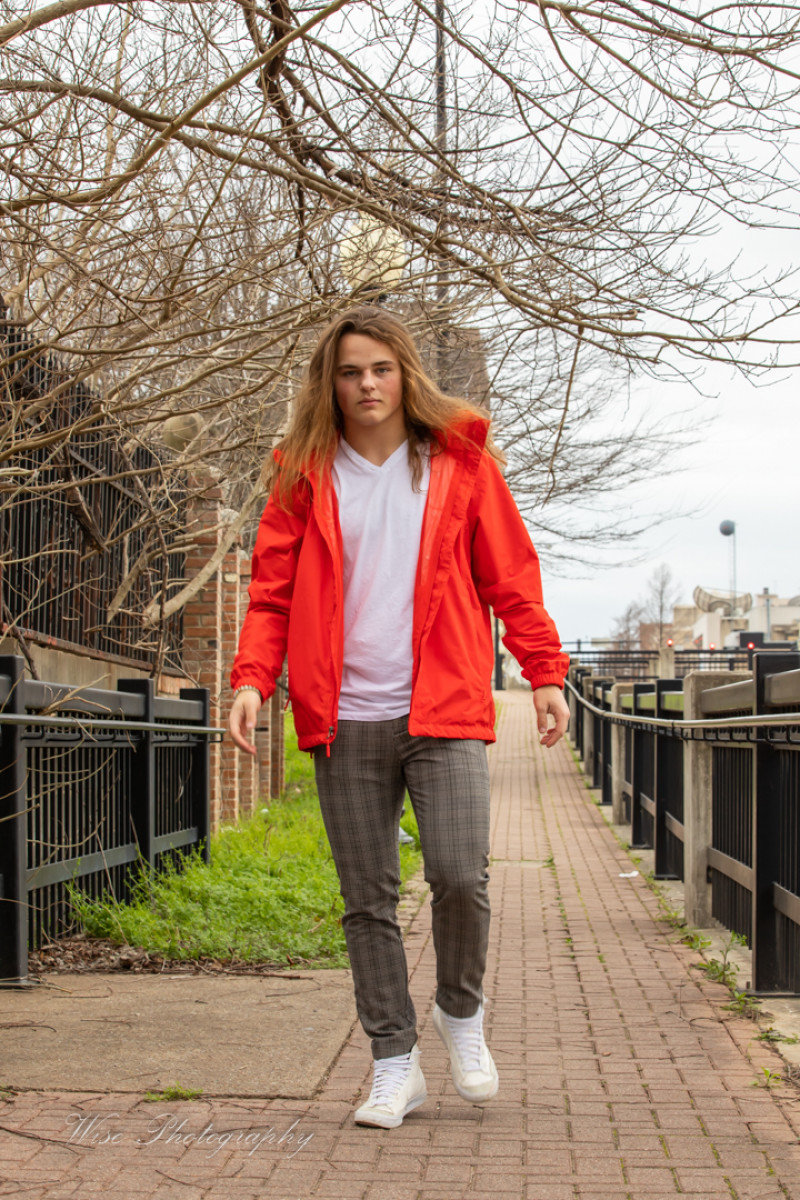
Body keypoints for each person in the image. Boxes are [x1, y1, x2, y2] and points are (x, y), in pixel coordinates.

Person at [229, 306, 569, 1129]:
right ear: (330, 383)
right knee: (367, 899)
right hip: (343, 716)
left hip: (443, 707)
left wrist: (545, 672)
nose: (366, 385)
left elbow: (511, 576)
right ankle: (393, 1062)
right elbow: (271, 592)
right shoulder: (303, 474)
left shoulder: (460, 465)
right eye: (350, 372)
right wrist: (251, 680)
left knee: (460, 874)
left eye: (380, 368)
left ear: (405, 374)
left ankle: (461, 1012)